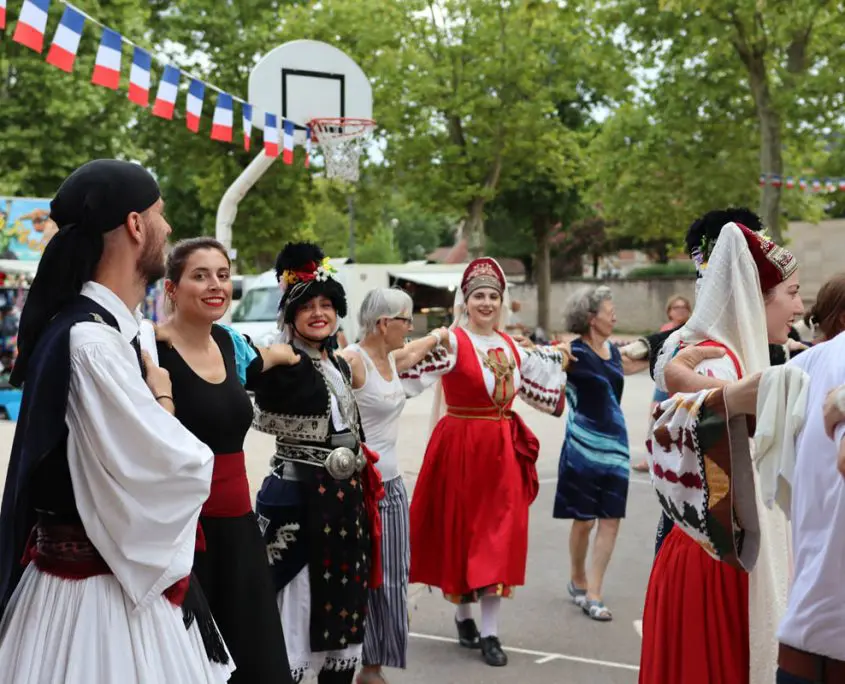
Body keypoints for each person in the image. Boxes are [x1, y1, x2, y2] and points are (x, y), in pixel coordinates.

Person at [0, 160, 233, 682]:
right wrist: (163, 397)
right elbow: (170, 469)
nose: (167, 228)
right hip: (96, 600)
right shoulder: (93, 343)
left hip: (85, 584)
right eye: (160, 214)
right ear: (135, 225)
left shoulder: (96, 331)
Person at [639, 218, 804, 684]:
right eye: (792, 293)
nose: (800, 307)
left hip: (730, 551)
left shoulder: (731, 358)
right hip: (718, 557)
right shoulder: (715, 358)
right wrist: (706, 390)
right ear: (757, 297)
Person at [399, 257, 569, 667]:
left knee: (499, 537)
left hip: (502, 452)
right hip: (460, 448)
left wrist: (563, 355)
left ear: (502, 301)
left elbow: (544, 382)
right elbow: (403, 372)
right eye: (479, 296)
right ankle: (464, 616)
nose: (487, 303)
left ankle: (490, 632)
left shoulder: (511, 346)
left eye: (494, 296)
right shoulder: (453, 343)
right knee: (462, 534)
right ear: (466, 301)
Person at [145, 237, 295, 684]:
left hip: (239, 531)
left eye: (223, 275)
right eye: (200, 275)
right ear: (171, 289)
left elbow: (270, 357)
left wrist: (296, 353)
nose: (216, 285)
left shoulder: (231, 344)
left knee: (257, 661)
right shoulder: (149, 350)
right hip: (183, 535)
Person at [251, 242, 384, 684]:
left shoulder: (338, 365)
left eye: (326, 304)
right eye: (306, 306)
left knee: (341, 604)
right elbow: (250, 383)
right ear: (290, 316)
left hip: (344, 504)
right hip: (299, 501)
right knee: (297, 603)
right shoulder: (284, 364)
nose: (318, 313)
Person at [340, 288, 449, 684]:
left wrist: (440, 335)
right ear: (385, 323)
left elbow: (417, 350)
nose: (410, 327)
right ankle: (347, 663)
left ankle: (372, 667)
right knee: (359, 578)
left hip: (393, 487)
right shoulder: (353, 361)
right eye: (406, 319)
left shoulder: (390, 357)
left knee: (393, 578)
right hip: (359, 490)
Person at [554, 285, 648, 621]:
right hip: (582, 449)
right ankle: (577, 577)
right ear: (592, 318)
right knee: (584, 521)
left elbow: (651, 356)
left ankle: (594, 593)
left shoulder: (616, 353)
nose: (615, 317)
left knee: (610, 519)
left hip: (616, 448)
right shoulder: (572, 353)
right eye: (610, 312)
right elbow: (541, 364)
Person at [632, 294, 691, 472]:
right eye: (676, 307)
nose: (680, 311)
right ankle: (649, 459)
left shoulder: (690, 331)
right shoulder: (664, 330)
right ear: (669, 311)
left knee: (680, 424)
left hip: (680, 382)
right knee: (654, 420)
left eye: (684, 307)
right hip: (662, 383)